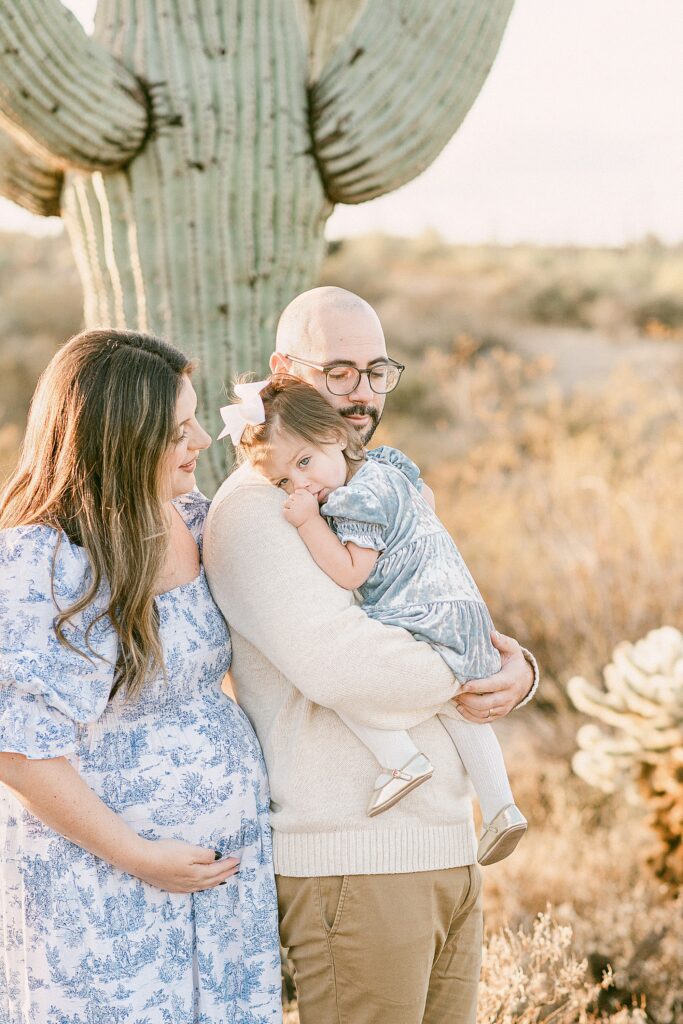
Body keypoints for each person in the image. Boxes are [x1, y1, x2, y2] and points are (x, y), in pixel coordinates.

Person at [204, 288, 538, 1024]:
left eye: (375, 370)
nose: (360, 395)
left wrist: (518, 670)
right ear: (283, 371)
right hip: (353, 859)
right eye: (338, 371)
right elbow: (346, 666)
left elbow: (443, 597)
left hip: (443, 848)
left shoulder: (373, 485)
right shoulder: (257, 511)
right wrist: (471, 667)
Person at [0, 330, 281, 1023]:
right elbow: (19, 745)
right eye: (177, 429)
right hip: (102, 884)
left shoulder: (193, 516)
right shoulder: (43, 559)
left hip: (222, 883)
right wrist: (138, 855)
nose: (199, 441)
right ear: (120, 438)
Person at [220, 374, 526, 864]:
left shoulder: (353, 497)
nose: (300, 485)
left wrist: (308, 522)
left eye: (304, 463)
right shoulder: (387, 469)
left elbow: (349, 572)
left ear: (337, 437)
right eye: (283, 481)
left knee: (423, 690)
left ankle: (400, 759)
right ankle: (501, 806)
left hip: (418, 612)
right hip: (459, 610)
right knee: (461, 706)